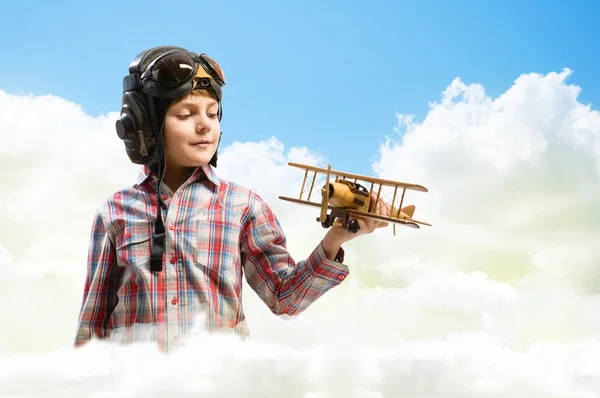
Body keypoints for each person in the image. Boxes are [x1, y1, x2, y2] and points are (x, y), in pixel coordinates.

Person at [74, 45, 390, 352]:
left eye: (212, 114)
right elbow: (92, 325)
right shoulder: (114, 213)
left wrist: (336, 238)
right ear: (144, 126)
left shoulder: (243, 206)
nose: (204, 125)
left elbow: (285, 298)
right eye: (185, 114)